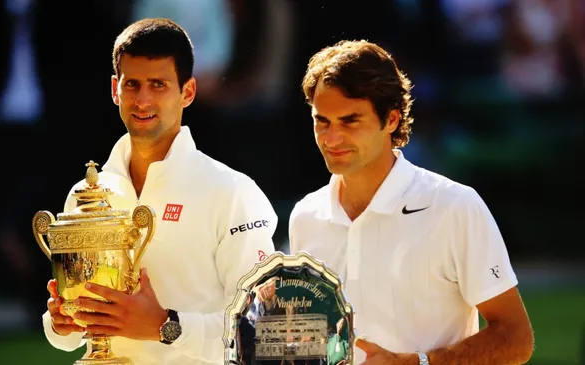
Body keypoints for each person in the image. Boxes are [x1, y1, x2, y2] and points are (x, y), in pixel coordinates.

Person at [41, 18, 277, 364]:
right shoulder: (84, 196)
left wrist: (166, 327)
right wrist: (62, 323)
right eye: (132, 84)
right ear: (114, 90)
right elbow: (74, 333)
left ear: (188, 92)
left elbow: (260, 328)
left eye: (158, 84)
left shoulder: (233, 191)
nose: (143, 99)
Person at [288, 40, 534, 365]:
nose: (331, 139)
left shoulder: (455, 207)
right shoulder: (305, 216)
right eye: (322, 121)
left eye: (350, 121)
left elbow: (516, 338)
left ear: (390, 120)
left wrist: (418, 363)